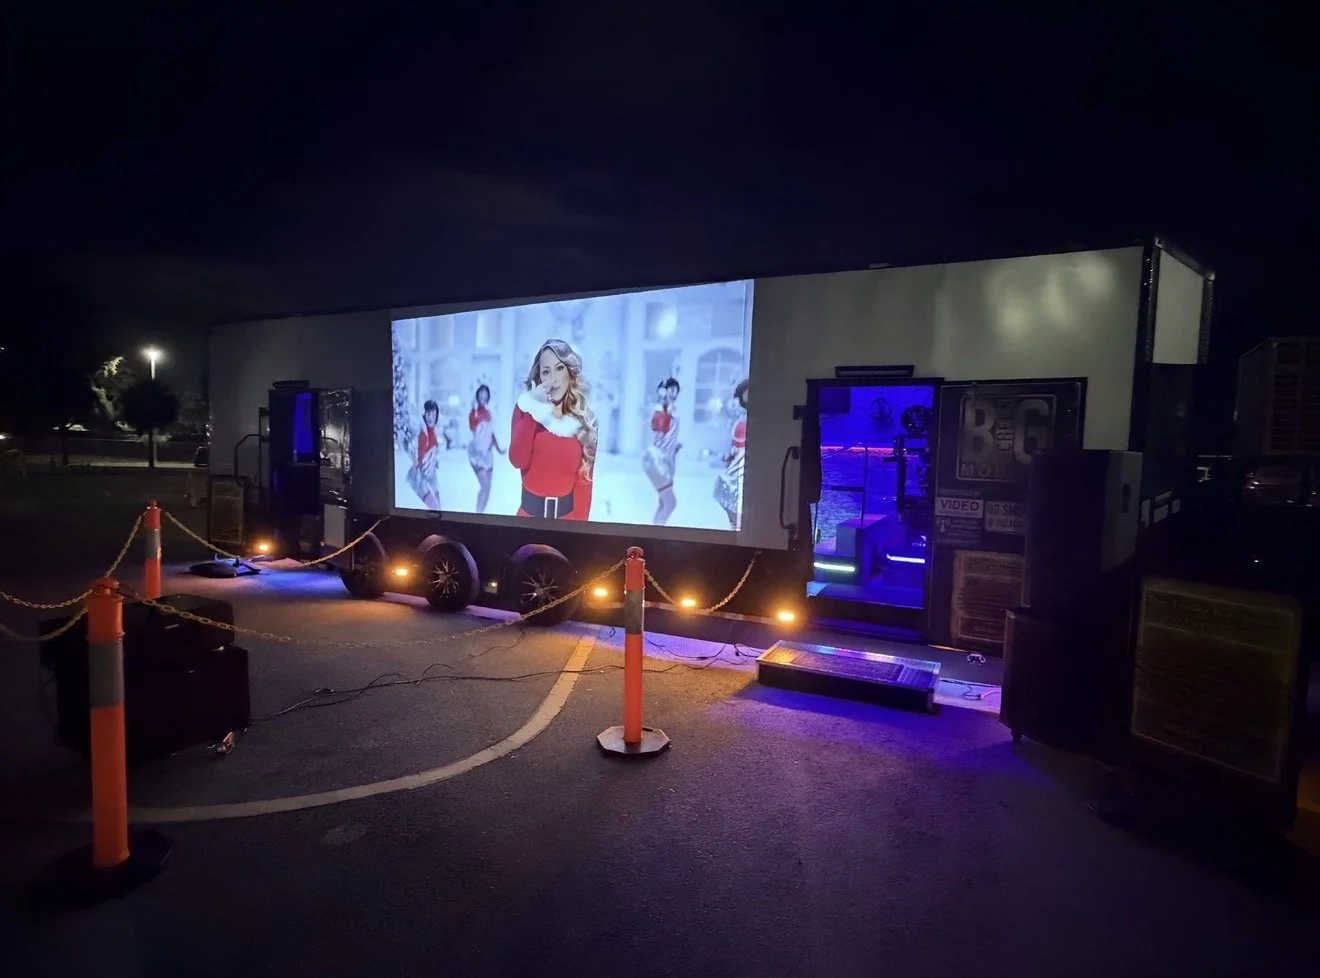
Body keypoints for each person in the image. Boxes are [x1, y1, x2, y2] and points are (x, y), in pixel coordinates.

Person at [509, 339, 597, 520]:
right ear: (539, 377)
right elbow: (517, 460)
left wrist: (578, 532)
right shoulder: (525, 409)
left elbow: (584, 483)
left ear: (570, 371)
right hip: (527, 521)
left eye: (559, 368)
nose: (553, 378)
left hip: (567, 523)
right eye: (546, 371)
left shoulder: (585, 420)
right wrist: (535, 409)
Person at [643, 377, 681, 524]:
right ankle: (656, 536)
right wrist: (666, 409)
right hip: (658, 460)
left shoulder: (671, 410)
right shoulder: (660, 410)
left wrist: (674, 446)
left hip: (669, 459)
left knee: (664, 502)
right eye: (670, 390)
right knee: (670, 503)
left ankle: (657, 531)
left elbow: (668, 434)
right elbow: (659, 429)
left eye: (675, 390)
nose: (674, 393)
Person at [715, 379, 748, 530]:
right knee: (737, 527)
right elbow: (737, 454)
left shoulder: (741, 423)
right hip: (735, 484)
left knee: (735, 527)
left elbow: (733, 453)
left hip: (731, 483)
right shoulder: (742, 424)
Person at [467, 384, 504, 513]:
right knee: (485, 486)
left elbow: (491, 433)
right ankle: (478, 515)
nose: (483, 396)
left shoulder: (489, 413)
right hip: (477, 454)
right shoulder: (474, 412)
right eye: (481, 393)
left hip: (488, 455)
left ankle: (479, 514)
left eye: (485, 393)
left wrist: (498, 448)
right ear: (477, 395)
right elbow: (472, 428)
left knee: (487, 490)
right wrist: (475, 412)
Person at [408, 399, 442, 510]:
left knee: (438, 510)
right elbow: (418, 456)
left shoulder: (433, 432)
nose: (431, 417)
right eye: (428, 414)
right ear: (424, 415)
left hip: (431, 476)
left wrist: (434, 461)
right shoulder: (423, 434)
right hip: (421, 478)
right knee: (435, 509)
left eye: (433, 414)